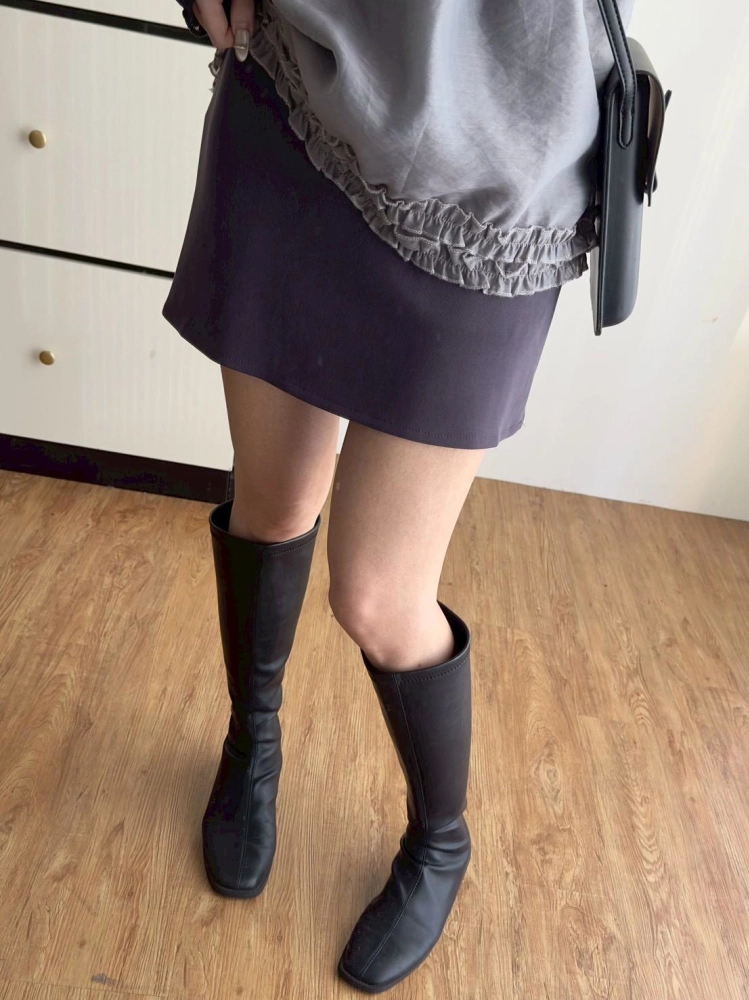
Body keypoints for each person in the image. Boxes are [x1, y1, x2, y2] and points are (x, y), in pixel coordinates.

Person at [163, 0, 633, 992]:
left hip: (497, 178)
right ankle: (252, 738)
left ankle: (440, 838)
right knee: (273, 504)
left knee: (378, 596)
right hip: (301, 91)